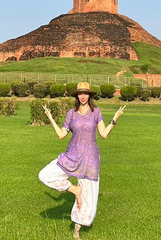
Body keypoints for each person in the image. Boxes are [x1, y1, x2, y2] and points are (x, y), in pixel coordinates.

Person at [38, 82, 126, 239]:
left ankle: (77, 229)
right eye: (80, 93)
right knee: (45, 175)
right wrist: (50, 117)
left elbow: (104, 134)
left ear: (90, 95)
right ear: (77, 96)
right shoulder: (71, 113)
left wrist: (115, 118)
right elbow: (61, 135)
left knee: (89, 197)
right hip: (72, 156)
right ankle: (75, 190)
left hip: (90, 159)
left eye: (86, 93)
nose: (83, 96)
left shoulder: (96, 112)